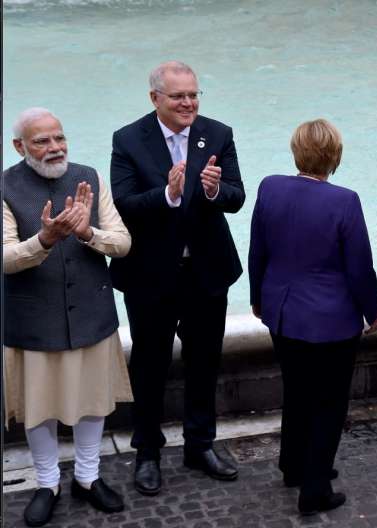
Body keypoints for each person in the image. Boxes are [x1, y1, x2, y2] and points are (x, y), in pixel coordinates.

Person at [110, 60, 245, 495]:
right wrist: (168, 194)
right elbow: (125, 203)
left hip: (205, 271)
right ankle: (147, 452)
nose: (188, 103)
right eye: (178, 96)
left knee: (205, 361)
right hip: (151, 275)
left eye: (193, 94)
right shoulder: (128, 139)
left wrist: (210, 190)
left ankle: (200, 444)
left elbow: (236, 197)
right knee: (148, 365)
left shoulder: (218, 133)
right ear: (155, 99)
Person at [3, 108, 132, 526]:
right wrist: (44, 239)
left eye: (59, 137)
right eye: (42, 141)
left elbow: (122, 242)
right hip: (32, 320)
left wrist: (86, 233)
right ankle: (46, 482)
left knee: (93, 400)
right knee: (39, 407)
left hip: (92, 313)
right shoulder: (4, 187)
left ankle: (88, 477)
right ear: (19, 146)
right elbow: (4, 259)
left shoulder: (90, 176)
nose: (55, 147)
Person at [249, 118, 377, 515]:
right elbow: (359, 266)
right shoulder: (344, 200)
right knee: (329, 402)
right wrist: (371, 311)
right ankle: (315, 489)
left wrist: (258, 299)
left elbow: (258, 251)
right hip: (330, 320)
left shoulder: (270, 186)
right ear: (335, 156)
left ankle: (292, 465)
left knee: (296, 390)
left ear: (296, 152)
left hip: (283, 311)